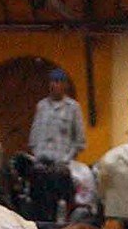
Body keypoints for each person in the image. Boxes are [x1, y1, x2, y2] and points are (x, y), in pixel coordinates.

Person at [27, 68, 86, 221]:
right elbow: (34, 135)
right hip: (42, 161)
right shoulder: (42, 106)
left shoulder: (73, 108)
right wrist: (36, 154)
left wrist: (67, 159)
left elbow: (79, 140)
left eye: (59, 82)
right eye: (52, 82)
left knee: (61, 194)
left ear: (65, 85)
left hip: (61, 163)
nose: (55, 85)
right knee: (36, 194)